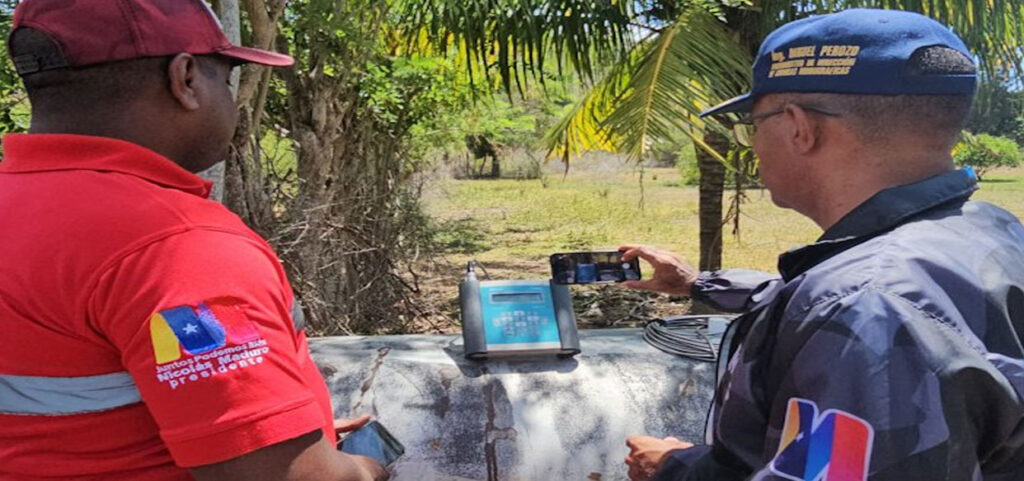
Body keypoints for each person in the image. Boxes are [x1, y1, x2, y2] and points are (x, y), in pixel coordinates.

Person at [619, 9, 1024, 481]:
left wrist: (673, 468)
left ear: (798, 127)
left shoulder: (865, 307)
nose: (751, 146)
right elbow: (907, 306)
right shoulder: (988, 229)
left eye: (752, 126)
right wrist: (698, 283)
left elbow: (862, 307)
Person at [0, 1, 387, 480]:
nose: (231, 102)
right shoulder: (176, 244)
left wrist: (284, 431)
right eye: (224, 80)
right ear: (184, 79)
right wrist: (362, 467)